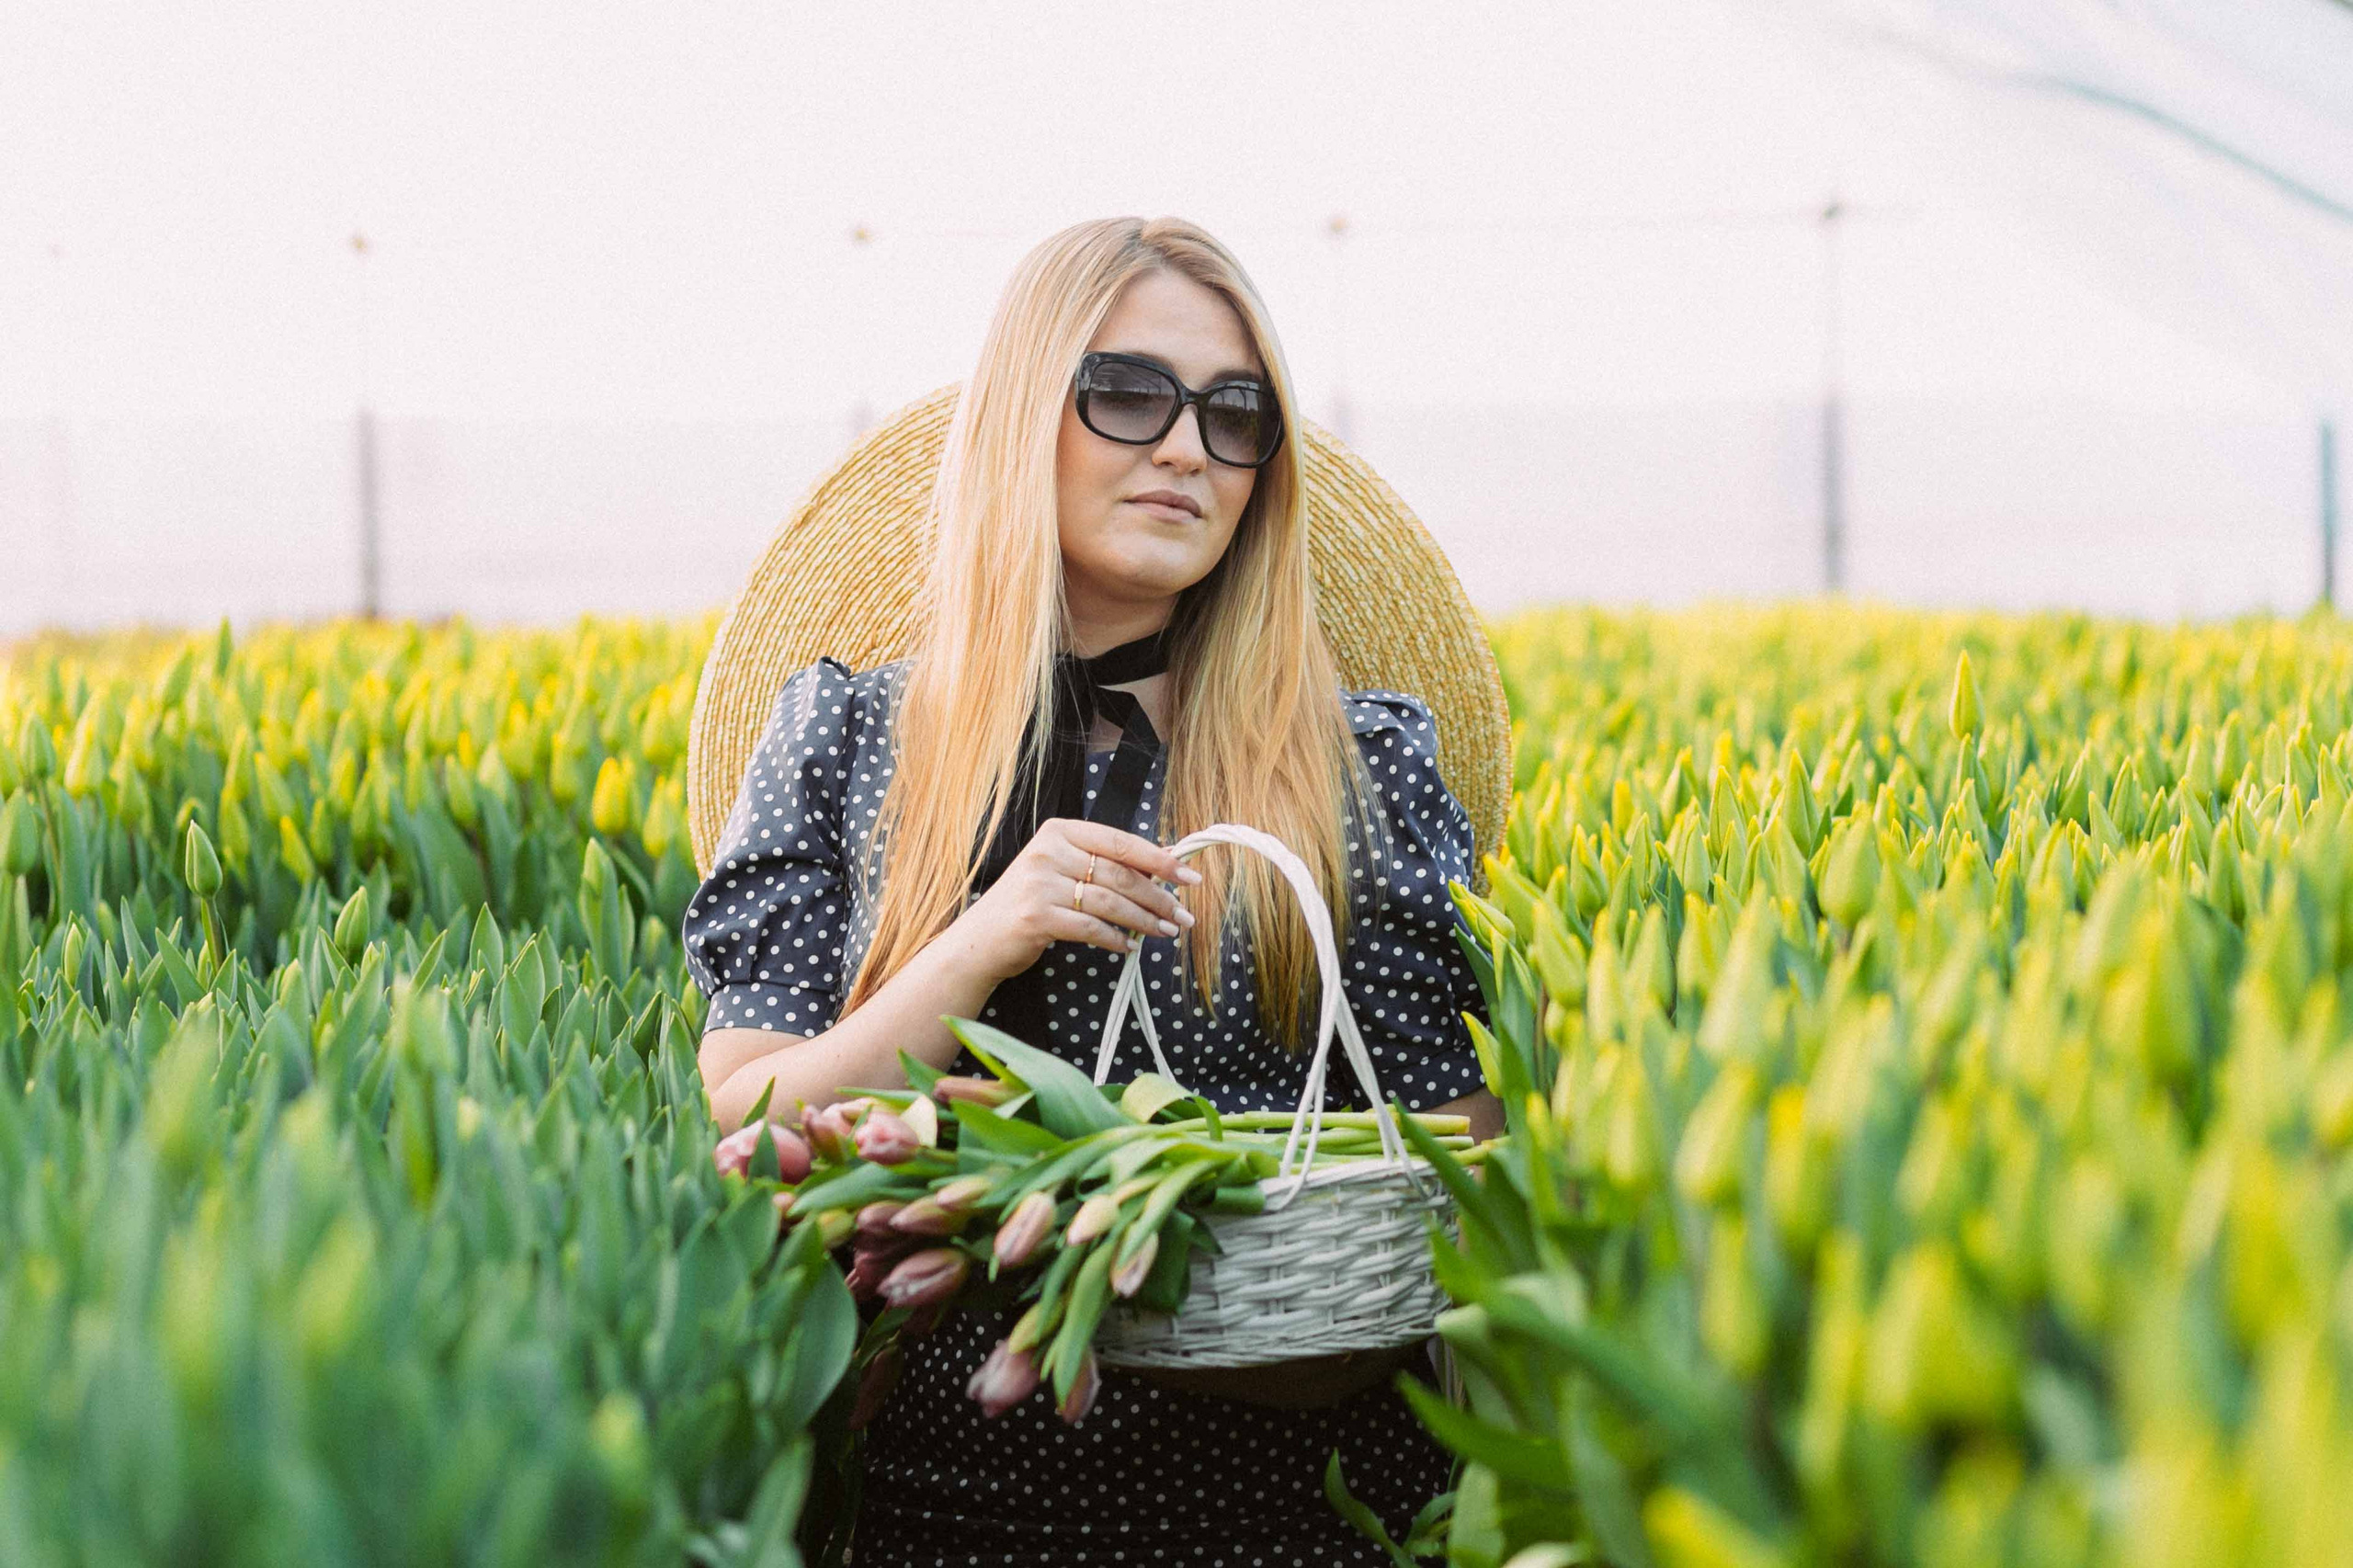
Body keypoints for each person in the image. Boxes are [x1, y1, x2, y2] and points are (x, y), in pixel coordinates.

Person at [684, 214, 1505, 1566]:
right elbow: (753, 1116)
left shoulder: (1362, 767)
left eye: (1237, 414)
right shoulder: (847, 741)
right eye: (1129, 393)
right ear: (1025, 417)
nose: (1189, 446)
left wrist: (1215, 1263)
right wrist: (977, 940)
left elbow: (1457, 1132)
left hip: (1299, 1499)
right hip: (941, 1504)